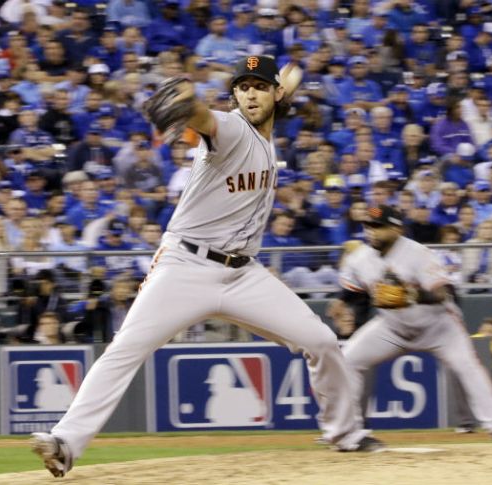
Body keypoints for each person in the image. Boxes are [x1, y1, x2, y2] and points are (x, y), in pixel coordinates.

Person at [31, 55, 377, 479]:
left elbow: (284, 85)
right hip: (185, 265)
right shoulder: (230, 127)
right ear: (233, 94)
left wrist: (284, 84)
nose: (250, 92)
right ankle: (65, 443)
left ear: (274, 94)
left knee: (321, 340)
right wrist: (188, 101)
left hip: (243, 273)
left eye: (259, 86)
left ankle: (345, 433)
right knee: (125, 349)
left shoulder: (267, 137)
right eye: (242, 86)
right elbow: (203, 117)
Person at [337, 205, 492, 444]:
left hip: (439, 327)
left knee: (467, 366)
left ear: (396, 229)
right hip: (392, 328)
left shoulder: (418, 253)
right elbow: (351, 292)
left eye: (377, 227)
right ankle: (349, 430)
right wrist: (339, 303)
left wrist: (411, 295)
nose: (371, 231)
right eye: (368, 226)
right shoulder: (360, 258)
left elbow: (443, 293)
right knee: (347, 360)